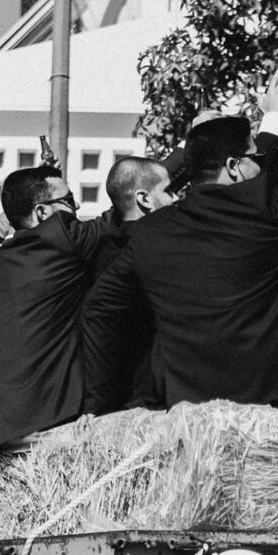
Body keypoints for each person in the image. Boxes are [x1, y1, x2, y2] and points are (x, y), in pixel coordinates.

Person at [82, 62, 278, 411]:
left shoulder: (149, 234)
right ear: (234, 166)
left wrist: (99, 405)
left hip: (191, 403)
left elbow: (98, 308)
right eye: (253, 158)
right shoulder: (273, 212)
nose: (260, 165)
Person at [0, 165, 107, 469]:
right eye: (69, 200)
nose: (77, 207)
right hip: (58, 421)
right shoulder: (64, 242)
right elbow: (126, 209)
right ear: (43, 212)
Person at [82, 157, 173, 413]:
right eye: (169, 191)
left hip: (113, 400)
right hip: (153, 398)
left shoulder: (98, 250)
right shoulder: (158, 248)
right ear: (144, 199)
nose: (176, 199)